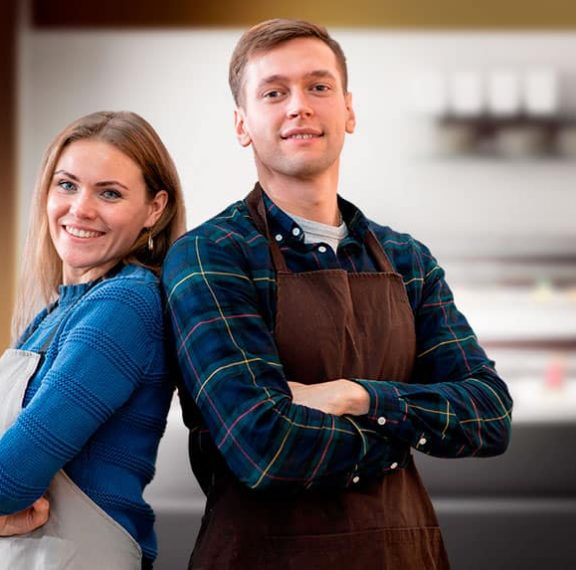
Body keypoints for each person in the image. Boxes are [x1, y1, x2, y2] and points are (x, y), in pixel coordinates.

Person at [163, 18, 513, 569]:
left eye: (318, 87)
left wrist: (358, 397)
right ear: (242, 124)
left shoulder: (406, 260)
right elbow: (266, 448)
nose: (298, 106)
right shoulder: (211, 256)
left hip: (407, 556)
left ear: (348, 110)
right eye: (274, 92)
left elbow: (489, 416)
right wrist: (412, 431)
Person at [0, 110, 186, 569]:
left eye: (109, 193)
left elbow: (11, 480)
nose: (80, 208)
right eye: (67, 185)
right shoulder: (51, 313)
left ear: (154, 209)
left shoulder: (125, 304)